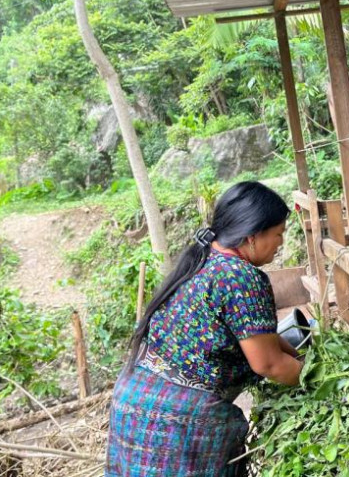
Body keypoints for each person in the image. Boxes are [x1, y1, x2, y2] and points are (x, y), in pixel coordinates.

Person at [106, 181, 304, 476]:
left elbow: (260, 339)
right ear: (252, 235)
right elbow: (269, 364)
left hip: (135, 406)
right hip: (175, 426)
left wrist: (302, 353)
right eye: (278, 234)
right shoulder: (240, 277)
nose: (280, 243)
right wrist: (320, 379)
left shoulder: (204, 259)